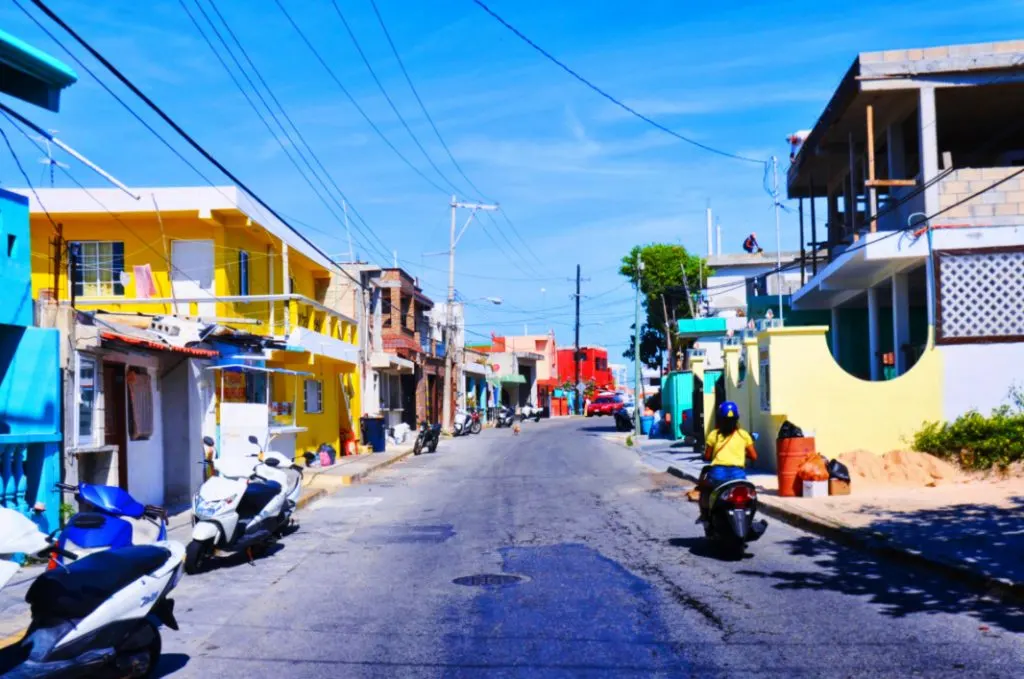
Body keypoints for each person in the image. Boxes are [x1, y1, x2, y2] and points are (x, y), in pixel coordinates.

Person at [698, 401, 758, 521]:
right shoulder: (744, 435)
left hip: (717, 476)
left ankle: (705, 515)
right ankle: (750, 518)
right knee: (750, 496)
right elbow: (754, 456)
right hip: (738, 476)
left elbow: (708, 456)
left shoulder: (714, 435)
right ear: (737, 418)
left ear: (720, 419)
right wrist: (741, 454)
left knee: (705, 490)